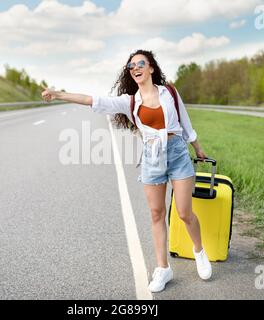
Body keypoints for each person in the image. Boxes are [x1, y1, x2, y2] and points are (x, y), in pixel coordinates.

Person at [42, 49, 212, 293]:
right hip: (152, 157)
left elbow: (185, 122)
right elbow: (94, 100)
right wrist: (58, 94)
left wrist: (198, 148)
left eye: (140, 63)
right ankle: (163, 269)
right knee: (156, 214)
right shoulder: (129, 101)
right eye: (131, 66)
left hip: (177, 153)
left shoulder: (170, 92)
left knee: (185, 212)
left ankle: (199, 252)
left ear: (151, 68)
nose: (135, 68)